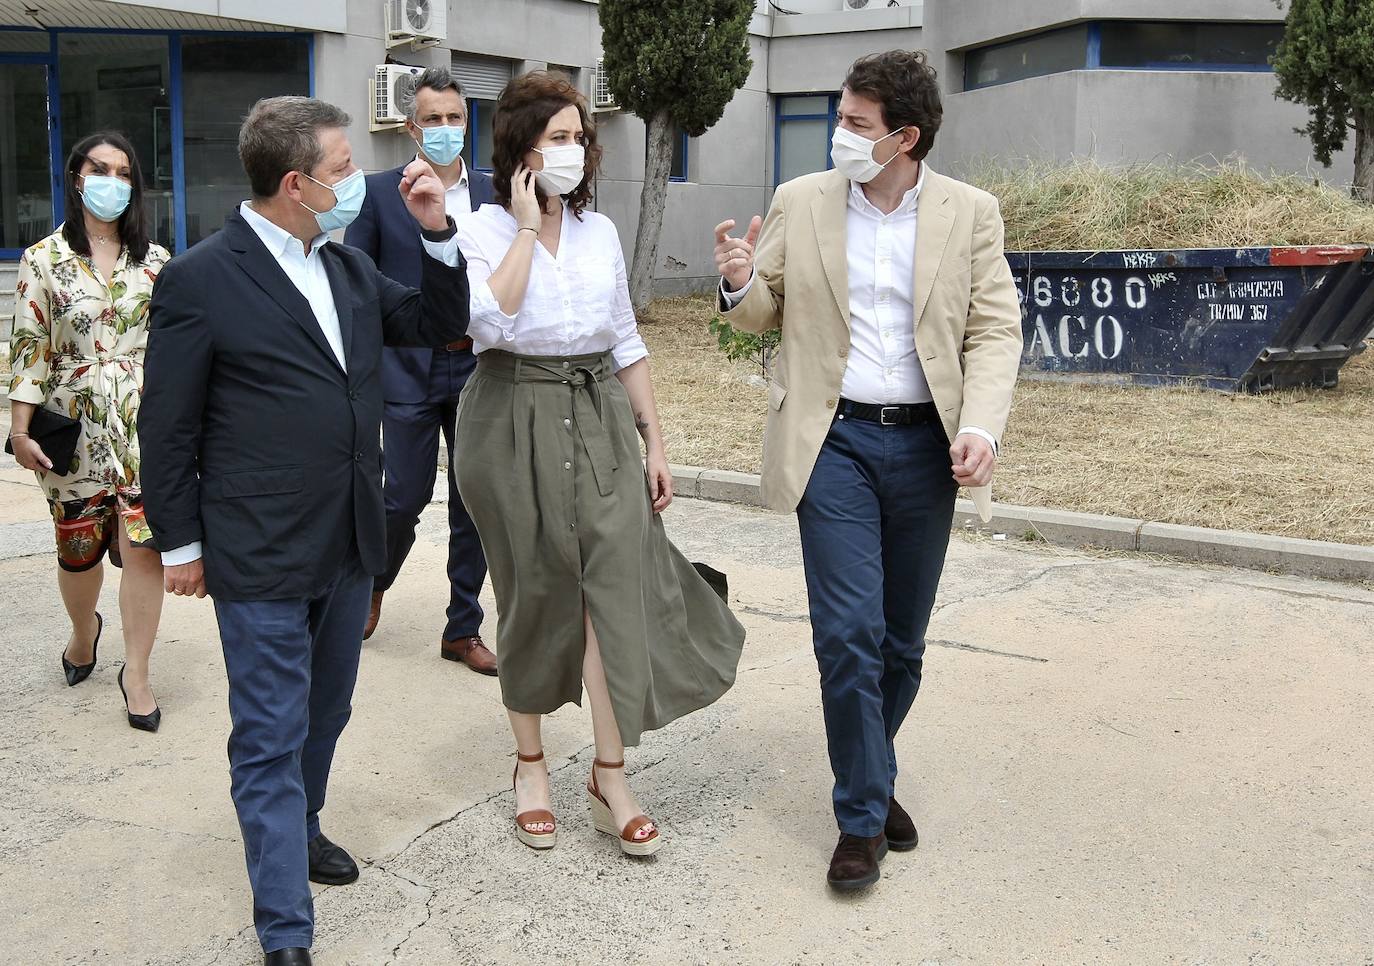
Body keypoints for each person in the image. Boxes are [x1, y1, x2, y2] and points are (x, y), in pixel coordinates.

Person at [137, 96, 470, 966]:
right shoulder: (202, 279)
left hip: (350, 540)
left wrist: (436, 231)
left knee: (327, 711)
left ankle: (305, 822)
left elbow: (440, 326)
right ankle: (284, 924)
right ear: (296, 183)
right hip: (258, 549)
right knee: (270, 730)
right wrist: (179, 546)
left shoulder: (348, 268)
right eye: (342, 169)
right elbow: (166, 426)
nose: (359, 181)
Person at [712, 50, 1022, 892]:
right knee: (847, 634)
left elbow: (994, 330)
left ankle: (871, 777)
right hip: (835, 442)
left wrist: (984, 426)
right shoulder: (801, 201)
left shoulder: (971, 213)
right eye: (839, 118)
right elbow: (761, 315)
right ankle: (858, 821)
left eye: (855, 124)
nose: (839, 135)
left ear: (904, 139)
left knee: (902, 645)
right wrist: (741, 283)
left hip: (927, 449)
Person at [453, 72, 745, 857]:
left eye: (579, 137)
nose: (572, 151)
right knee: (532, 588)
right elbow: (488, 316)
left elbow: (625, 339)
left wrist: (656, 440)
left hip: (599, 415)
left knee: (612, 588)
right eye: (556, 137)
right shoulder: (476, 228)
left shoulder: (601, 234)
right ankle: (532, 767)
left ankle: (610, 774)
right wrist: (521, 227)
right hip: (508, 413)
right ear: (519, 149)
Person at [7, 132, 170, 733]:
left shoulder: (155, 261)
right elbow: (29, 351)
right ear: (77, 177)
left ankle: (138, 673)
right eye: (100, 169)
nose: (112, 182)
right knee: (79, 556)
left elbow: (175, 349)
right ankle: (84, 633)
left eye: (124, 172)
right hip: (70, 430)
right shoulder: (43, 259)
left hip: (141, 426)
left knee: (144, 547)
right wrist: (20, 432)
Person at [344, 66, 496, 674]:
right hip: (406, 367)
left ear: (467, 122)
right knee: (403, 495)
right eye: (431, 119)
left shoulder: (494, 190)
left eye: (453, 118)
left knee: (475, 500)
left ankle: (463, 627)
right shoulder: (383, 192)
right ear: (411, 128)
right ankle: (372, 584)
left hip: (479, 367)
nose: (443, 129)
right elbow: (359, 279)